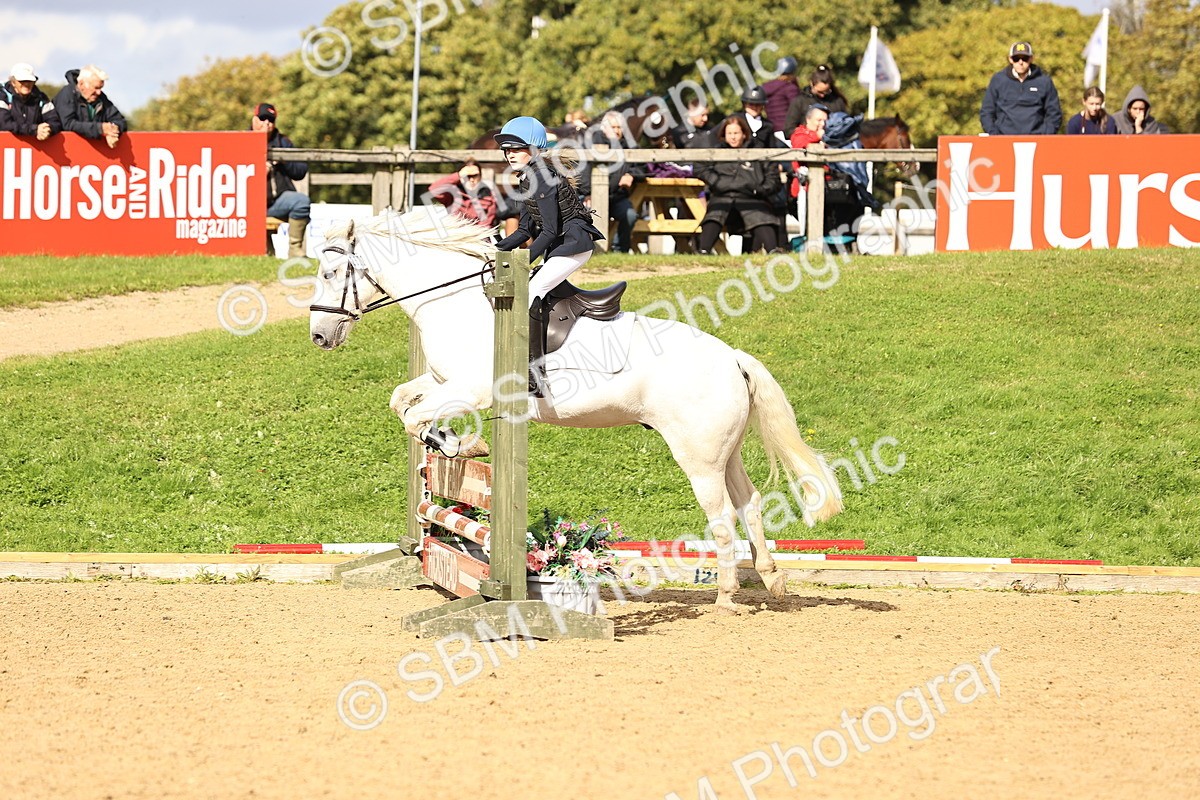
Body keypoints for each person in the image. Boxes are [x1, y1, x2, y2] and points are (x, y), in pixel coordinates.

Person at [493, 116, 604, 306]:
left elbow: (550, 231)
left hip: (574, 244)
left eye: (516, 149)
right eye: (507, 150)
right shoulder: (527, 179)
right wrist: (495, 249)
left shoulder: (542, 178)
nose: (510, 155)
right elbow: (524, 231)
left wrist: (521, 263)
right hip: (560, 244)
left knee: (531, 292)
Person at [693, 116, 781, 255]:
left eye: (736, 133)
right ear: (724, 135)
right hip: (723, 196)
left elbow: (773, 178)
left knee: (761, 215)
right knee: (715, 214)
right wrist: (717, 182)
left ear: (744, 134)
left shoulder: (758, 152)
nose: (733, 137)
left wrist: (759, 189)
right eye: (729, 133)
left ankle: (773, 251)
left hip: (752, 197)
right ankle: (703, 251)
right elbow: (699, 168)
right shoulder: (715, 152)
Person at [579, 111, 645, 253]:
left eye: (619, 127)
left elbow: (643, 166)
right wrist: (588, 193)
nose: (616, 131)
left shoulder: (629, 146)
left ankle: (620, 250)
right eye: (613, 127)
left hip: (617, 197)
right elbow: (582, 171)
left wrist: (631, 175)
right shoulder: (591, 142)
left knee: (630, 215)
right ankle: (587, 251)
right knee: (582, 218)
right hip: (591, 196)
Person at [252, 103, 311, 258]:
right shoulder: (241, 141)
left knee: (301, 202)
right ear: (254, 119)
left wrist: (283, 160)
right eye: (263, 118)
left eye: (271, 120)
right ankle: (265, 251)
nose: (267, 123)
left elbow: (300, 171)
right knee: (264, 255)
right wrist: (257, 171)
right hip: (248, 204)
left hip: (276, 201)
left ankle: (295, 250)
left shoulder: (283, 142)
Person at [979, 42, 1062, 135]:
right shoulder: (998, 80)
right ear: (1010, 59)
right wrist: (995, 135)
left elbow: (1054, 113)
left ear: (1031, 59)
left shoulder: (1044, 81)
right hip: (1004, 139)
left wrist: (1047, 135)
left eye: (1025, 58)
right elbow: (987, 111)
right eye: (1016, 58)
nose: (1020, 62)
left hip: (1037, 139)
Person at [54, 65, 126, 148]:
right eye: (96, 88)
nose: (99, 92)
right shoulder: (66, 94)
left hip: (92, 153)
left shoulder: (101, 98)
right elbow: (67, 124)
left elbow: (119, 120)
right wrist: (99, 129)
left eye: (101, 88)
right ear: (81, 84)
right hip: (66, 149)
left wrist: (113, 131)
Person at [783, 65, 849, 139]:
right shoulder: (800, 101)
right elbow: (788, 130)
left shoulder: (837, 101)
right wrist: (811, 135)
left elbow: (846, 125)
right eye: (819, 92)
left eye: (826, 91)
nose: (822, 95)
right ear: (811, 84)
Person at [428, 158, 498, 227]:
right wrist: (458, 175)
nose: (471, 179)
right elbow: (433, 190)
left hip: (479, 232)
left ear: (480, 176)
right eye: (467, 176)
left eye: (475, 175)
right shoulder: (453, 193)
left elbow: (487, 223)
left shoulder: (488, 196)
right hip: (455, 231)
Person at [0, 63, 61, 141]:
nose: (26, 84)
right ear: (13, 82)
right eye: (22, 81)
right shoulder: (2, 97)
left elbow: (55, 121)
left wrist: (47, 130)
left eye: (29, 81)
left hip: (35, 148)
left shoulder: (41, 98)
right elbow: (4, 124)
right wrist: (34, 130)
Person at [763, 56, 800, 143]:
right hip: (787, 131)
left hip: (772, 131)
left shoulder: (767, 87)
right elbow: (797, 109)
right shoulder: (790, 88)